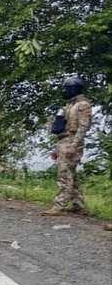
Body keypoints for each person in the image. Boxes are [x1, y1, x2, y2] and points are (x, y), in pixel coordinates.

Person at [41, 77, 93, 216]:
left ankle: (59, 206)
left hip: (71, 141)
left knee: (64, 175)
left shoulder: (82, 105)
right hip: (65, 141)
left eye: (67, 88)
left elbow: (83, 127)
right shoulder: (70, 105)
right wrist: (56, 148)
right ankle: (79, 205)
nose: (65, 91)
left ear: (74, 88)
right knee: (71, 175)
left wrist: (74, 145)